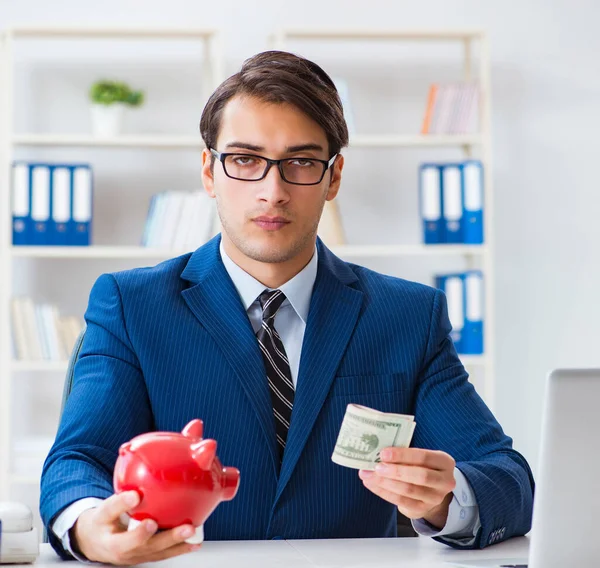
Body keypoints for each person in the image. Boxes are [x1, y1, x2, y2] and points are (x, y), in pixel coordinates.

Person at [40, 50, 534, 565]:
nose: (272, 192)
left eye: (300, 162)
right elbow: (76, 461)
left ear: (333, 177)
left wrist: (448, 498)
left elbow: (507, 476)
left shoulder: (408, 315)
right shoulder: (132, 305)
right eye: (245, 160)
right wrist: (88, 525)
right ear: (209, 171)